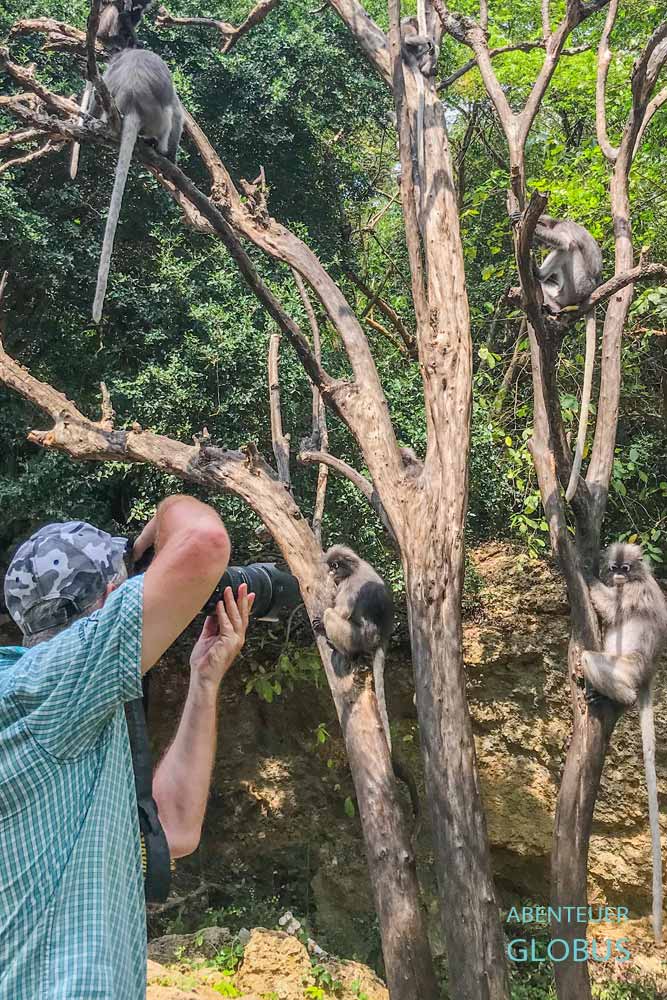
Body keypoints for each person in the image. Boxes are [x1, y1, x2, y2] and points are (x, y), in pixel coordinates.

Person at [0, 495, 254, 1000]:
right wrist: (157, 524)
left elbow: (174, 828)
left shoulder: (66, 713)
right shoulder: (40, 690)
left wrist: (203, 682)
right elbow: (204, 541)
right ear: (106, 598)